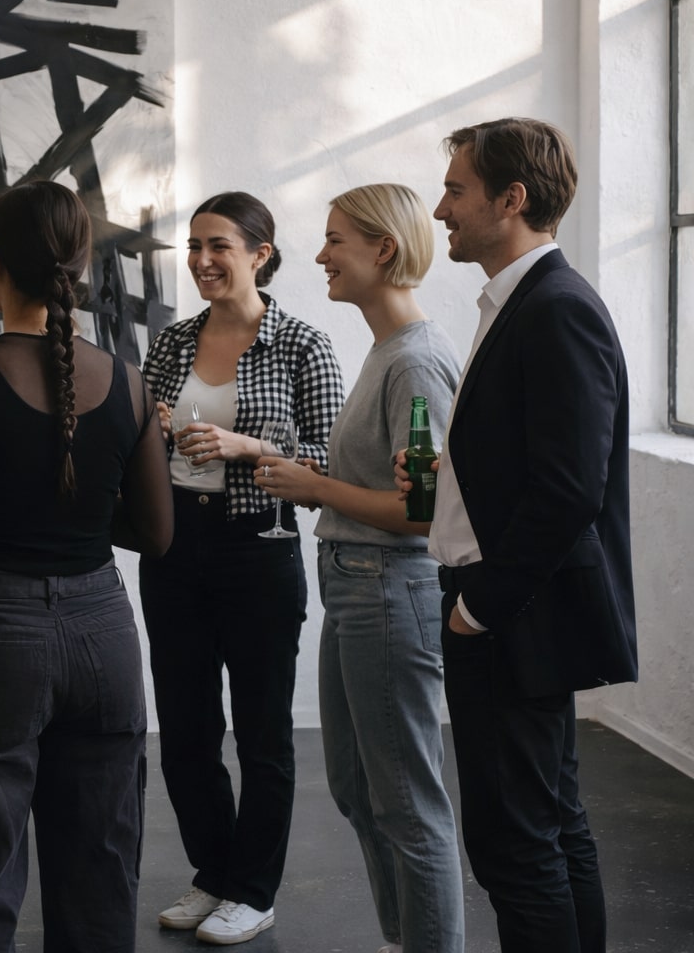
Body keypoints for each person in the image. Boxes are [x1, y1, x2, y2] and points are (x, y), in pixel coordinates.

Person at [0, 180, 173, 950]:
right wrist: (76, 518)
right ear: (81, 264)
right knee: (100, 876)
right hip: (105, 638)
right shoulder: (128, 381)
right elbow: (156, 534)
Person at [398, 118, 636, 953]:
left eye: (457, 190)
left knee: (516, 848)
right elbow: (530, 466)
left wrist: (478, 610)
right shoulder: (523, 303)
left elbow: (570, 488)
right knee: (552, 827)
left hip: (510, 614)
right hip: (507, 608)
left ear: (512, 199)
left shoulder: (556, 309)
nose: (441, 208)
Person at [252, 184, 464, 953]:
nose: (319, 256)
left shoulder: (416, 361)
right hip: (355, 585)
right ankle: (404, 938)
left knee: (407, 804)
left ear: (383, 249)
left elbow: (424, 514)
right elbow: (390, 484)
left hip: (387, 587)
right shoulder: (386, 351)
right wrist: (317, 479)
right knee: (354, 788)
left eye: (335, 240)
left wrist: (315, 488)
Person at [140, 191, 344, 945]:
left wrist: (248, 449)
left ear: (260, 254)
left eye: (218, 246)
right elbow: (137, 445)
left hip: (259, 549)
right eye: (194, 246)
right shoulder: (170, 343)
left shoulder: (302, 344)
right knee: (187, 730)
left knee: (262, 736)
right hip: (173, 550)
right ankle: (215, 874)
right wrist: (150, 429)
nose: (201, 260)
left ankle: (254, 892)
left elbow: (332, 463)